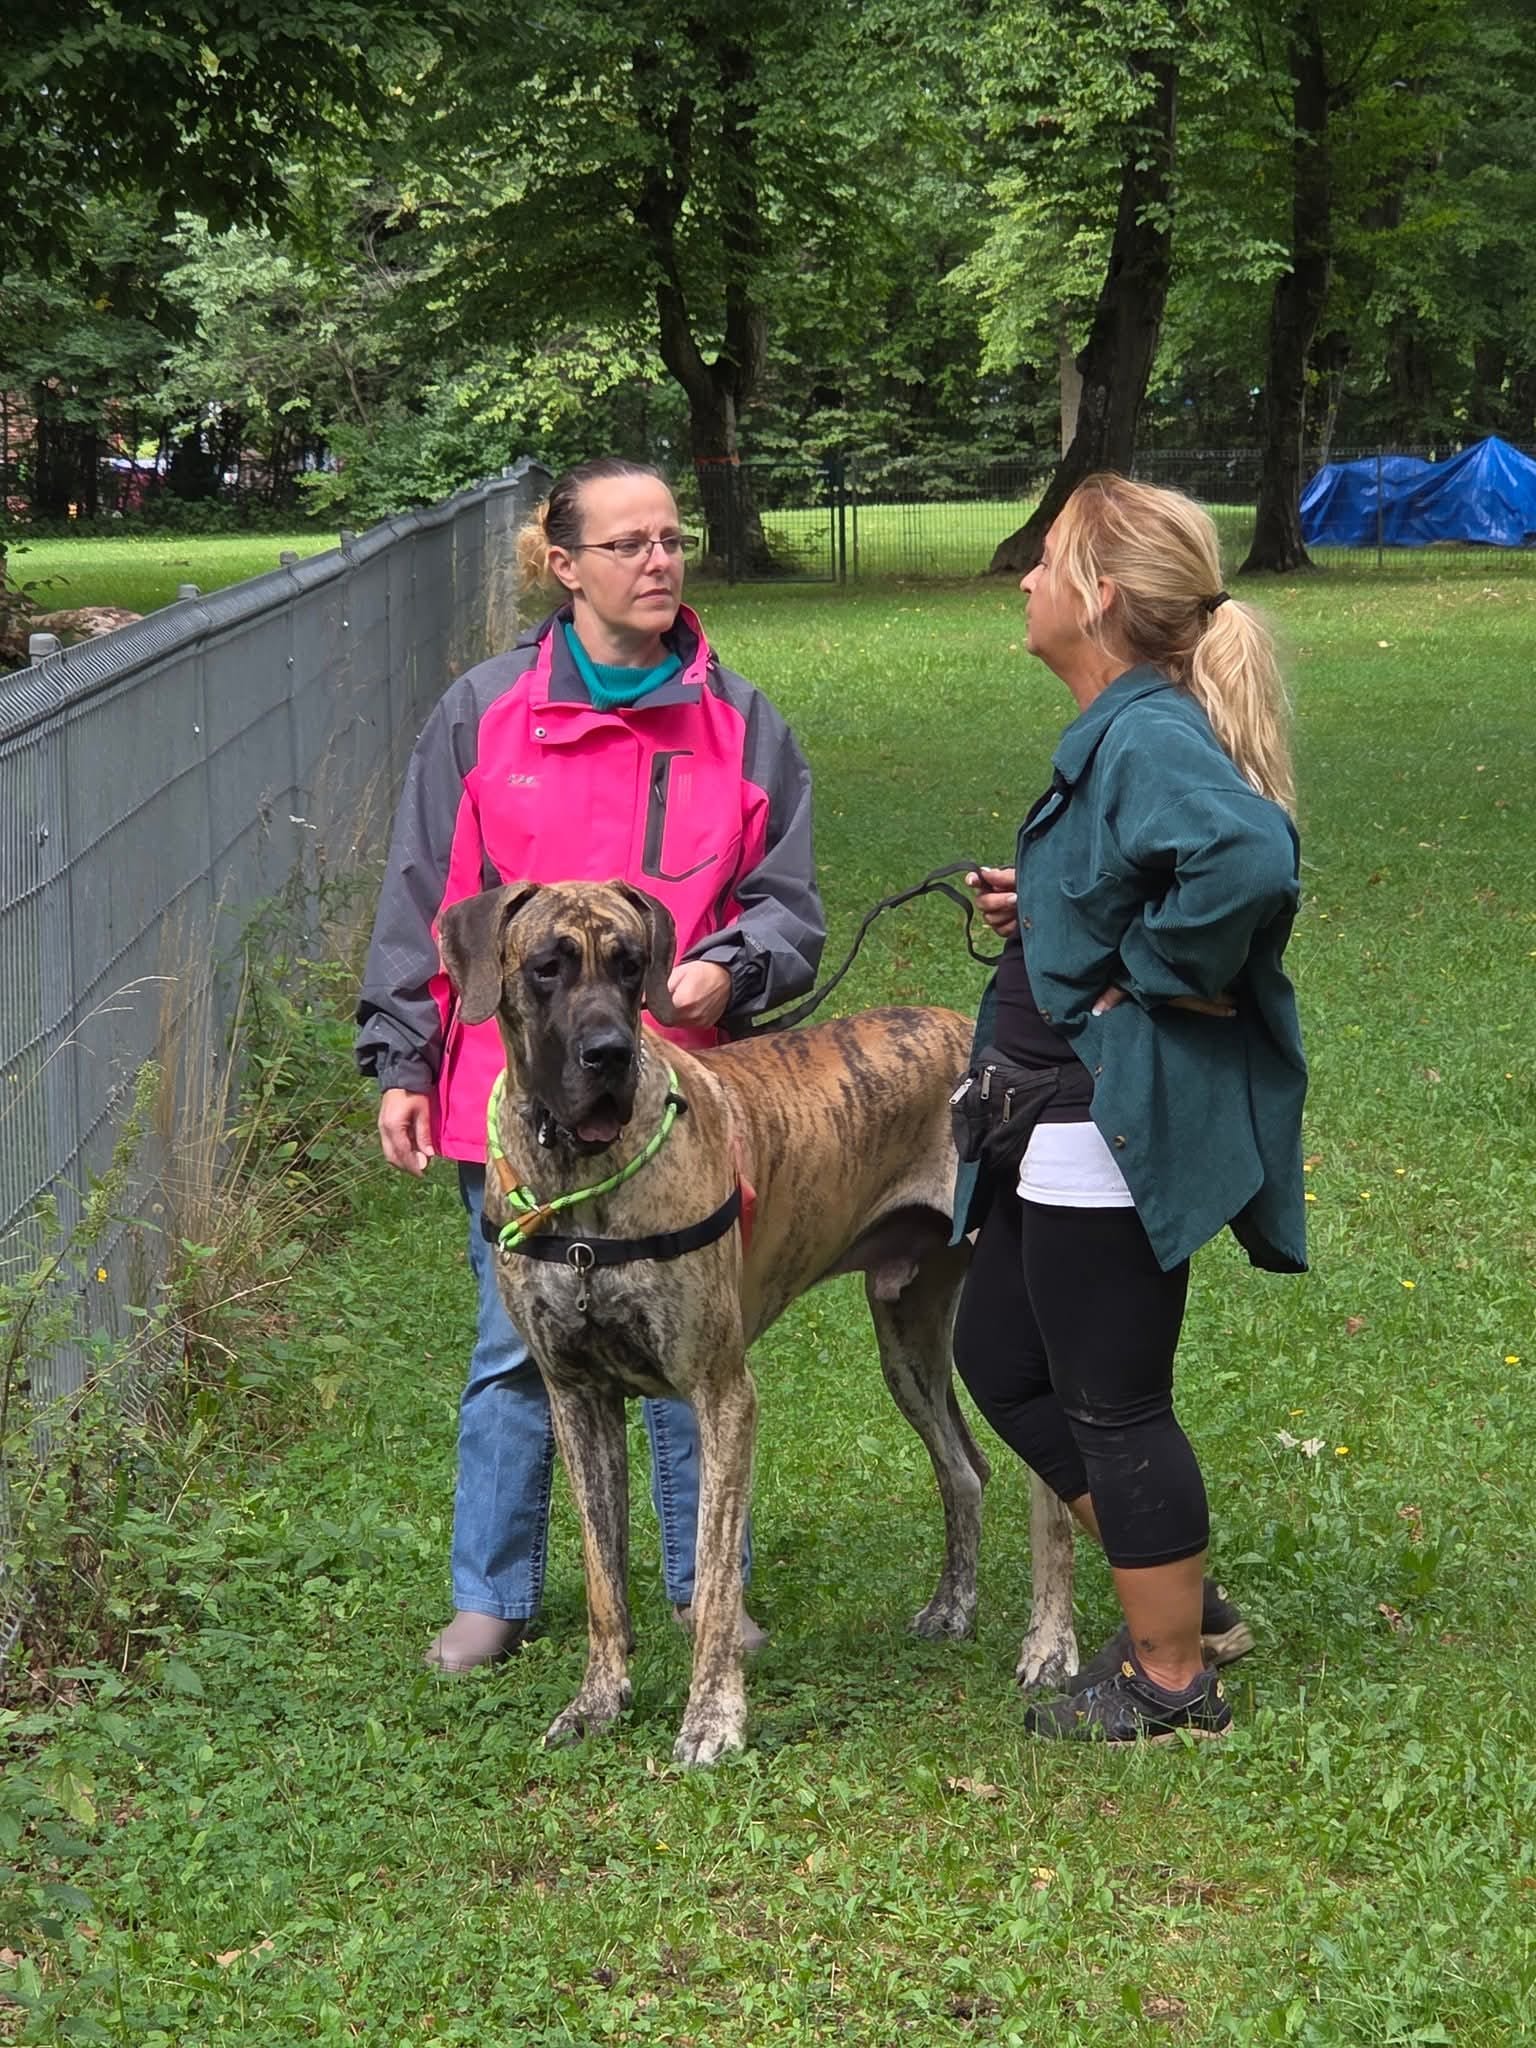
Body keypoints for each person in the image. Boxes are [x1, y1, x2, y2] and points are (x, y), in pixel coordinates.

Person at [357, 457, 825, 1671]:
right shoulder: (482, 713)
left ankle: (697, 1591)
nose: (661, 560)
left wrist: (735, 965)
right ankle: (492, 1593)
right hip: (510, 1107)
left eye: (671, 538)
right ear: (563, 565)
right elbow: (429, 900)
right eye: (630, 543)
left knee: (690, 1338)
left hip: (684, 1104)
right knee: (516, 1344)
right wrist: (402, 1054)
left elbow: (787, 909)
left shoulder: (742, 720)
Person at [950, 472, 1307, 1743]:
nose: (1029, 579)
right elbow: (1145, 863)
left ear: (1098, 593)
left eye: (1048, 560)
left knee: (1111, 1392)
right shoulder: (1121, 725)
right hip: (1054, 1110)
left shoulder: (1147, 730)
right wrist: (1044, 911)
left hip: (1108, 1112)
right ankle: (1179, 1592)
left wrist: (1138, 976)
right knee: (1001, 1356)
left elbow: (1247, 855)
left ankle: (1171, 1679)